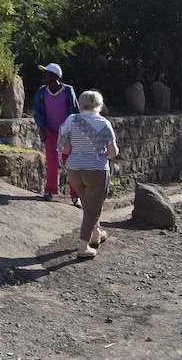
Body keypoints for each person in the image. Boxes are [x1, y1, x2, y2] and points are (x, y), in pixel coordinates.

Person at [58, 90, 119, 259]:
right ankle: (83, 247)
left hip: (74, 169)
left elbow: (65, 149)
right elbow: (113, 152)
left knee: (87, 203)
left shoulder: (71, 120)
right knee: (93, 208)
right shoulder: (104, 123)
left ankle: (96, 233)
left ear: (81, 103)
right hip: (96, 169)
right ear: (99, 104)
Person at [33, 62, 80, 204]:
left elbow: (75, 110)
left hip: (67, 133)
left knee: (70, 161)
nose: (44, 76)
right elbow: (38, 112)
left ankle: (75, 195)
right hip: (51, 131)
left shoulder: (67, 91)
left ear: (54, 76)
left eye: (47, 73)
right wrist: (42, 125)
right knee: (52, 159)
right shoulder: (41, 92)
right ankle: (50, 190)